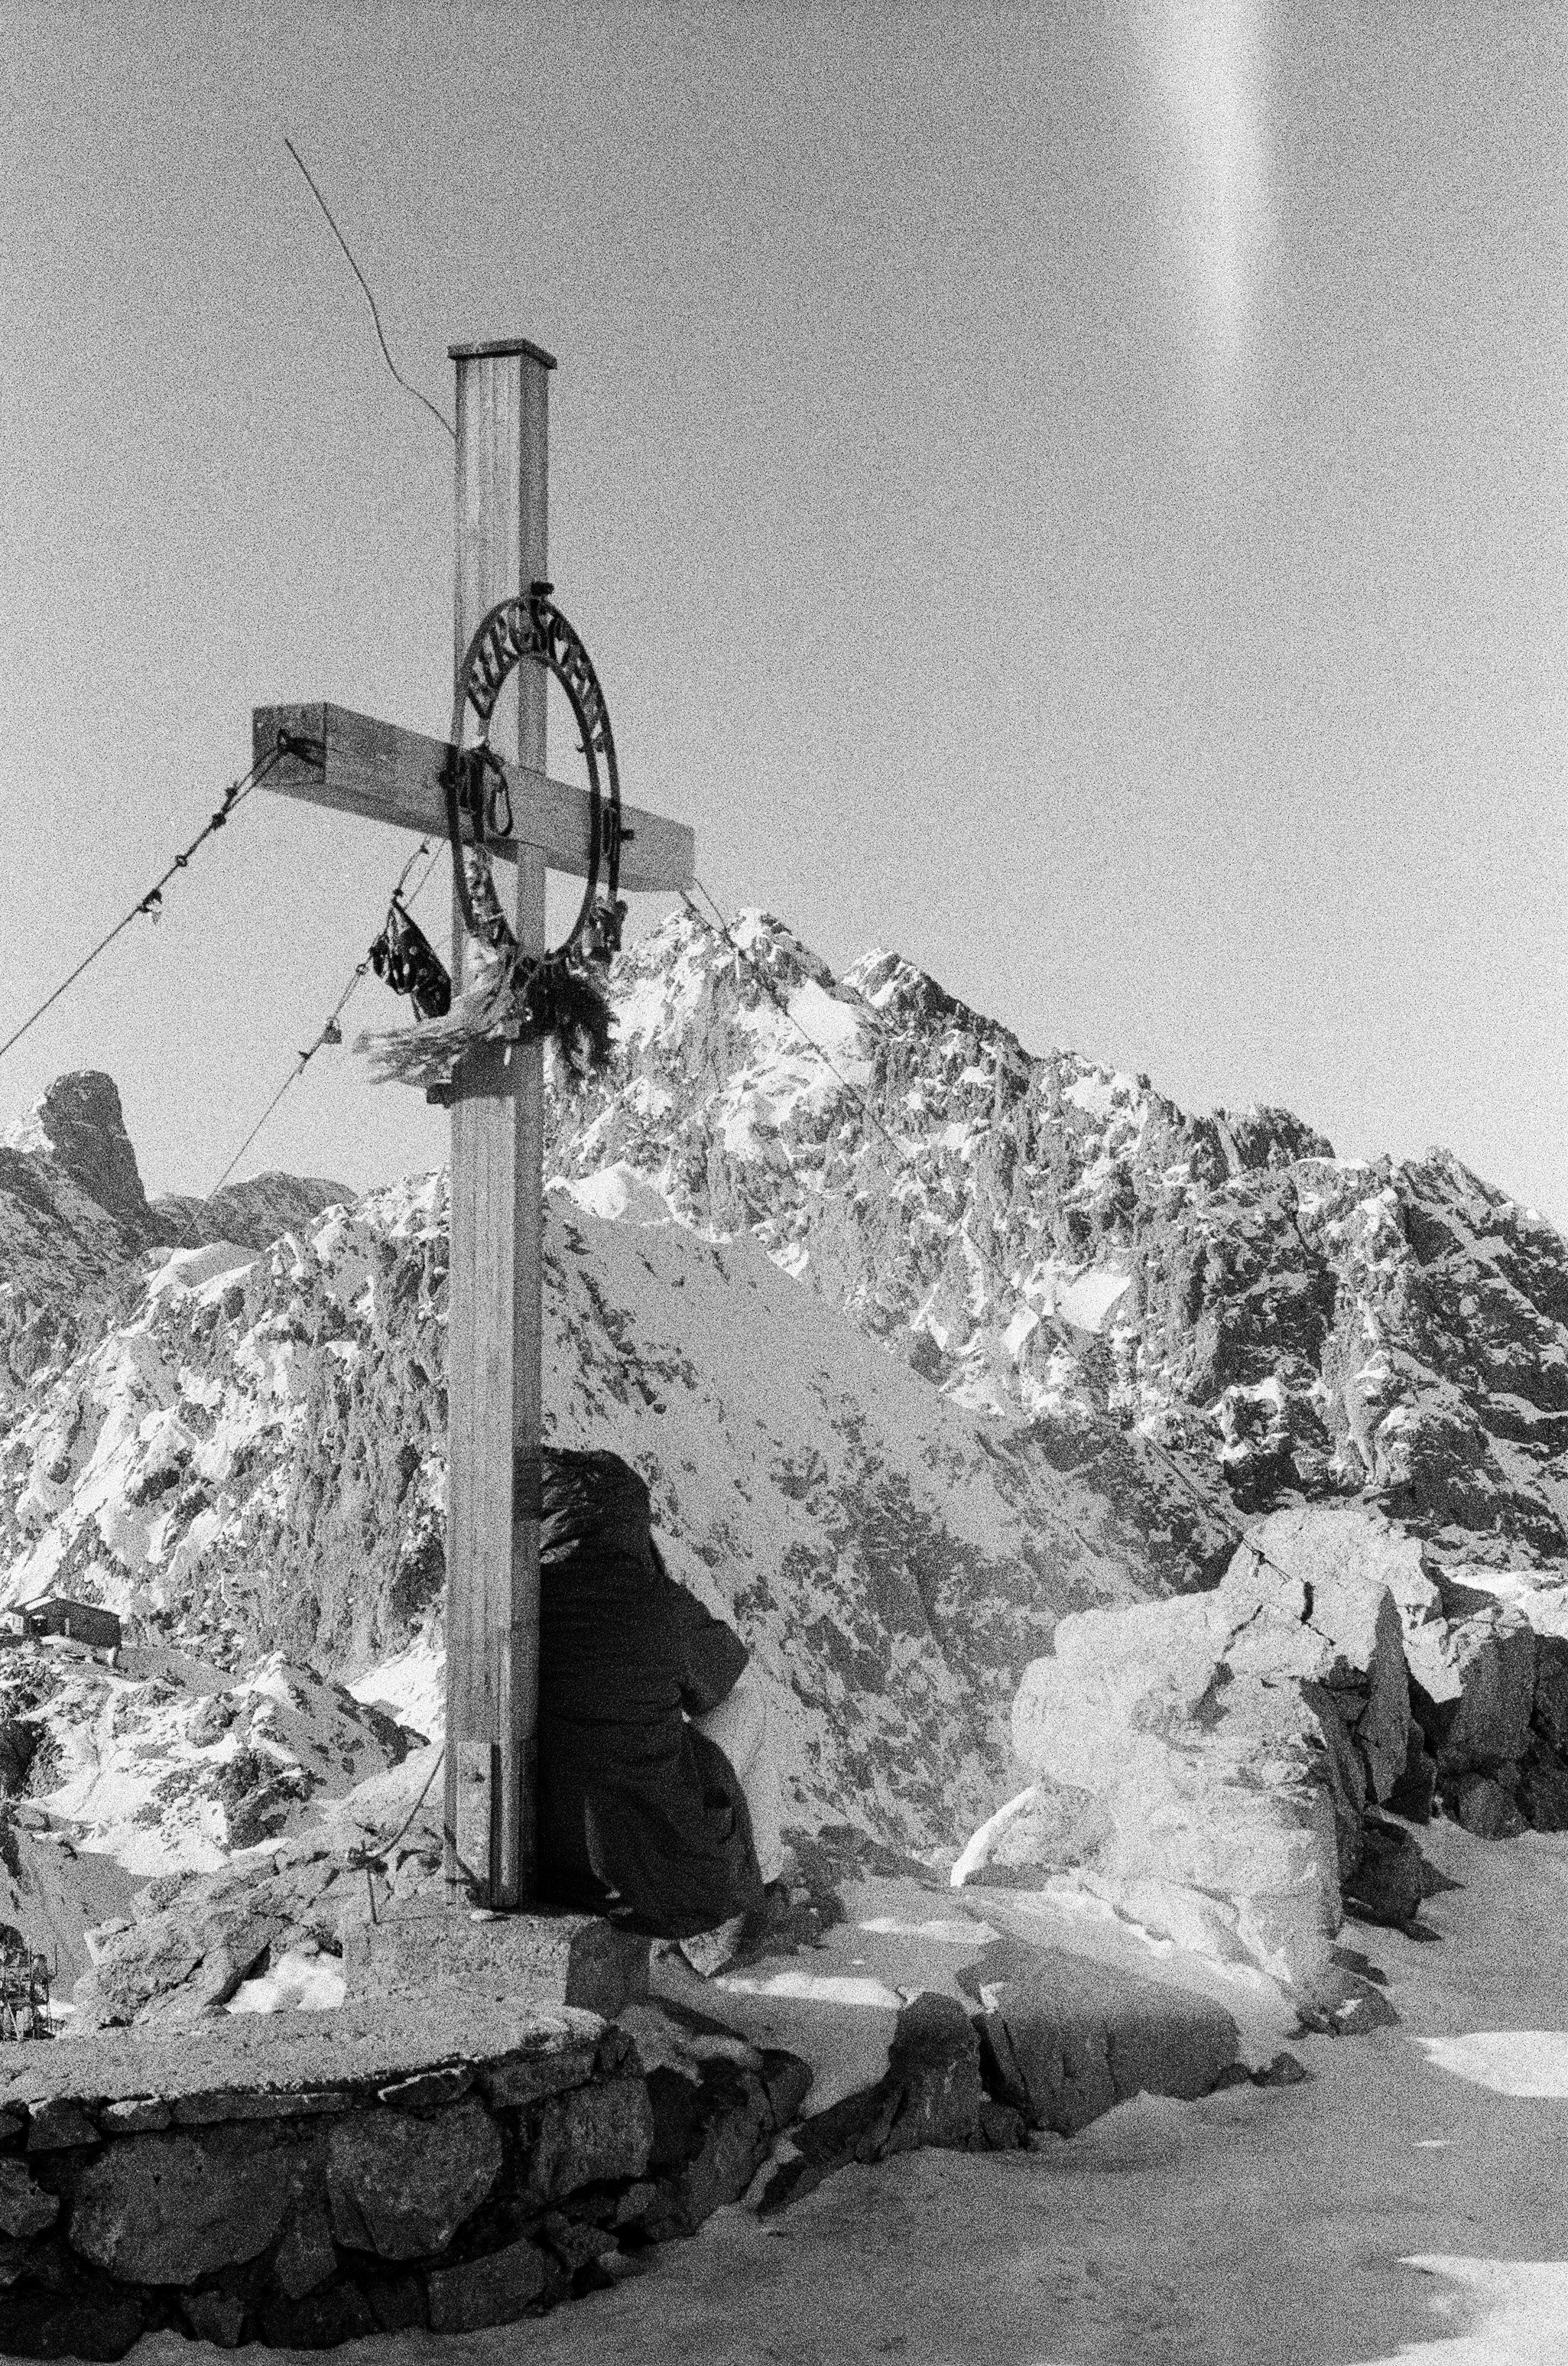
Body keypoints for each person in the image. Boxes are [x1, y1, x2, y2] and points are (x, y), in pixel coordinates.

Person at [537, 1445, 785, 1945]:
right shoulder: (658, 1605)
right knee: (748, 1705)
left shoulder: (525, 1599)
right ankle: (764, 1884)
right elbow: (721, 1676)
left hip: (550, 1844)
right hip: (646, 1854)